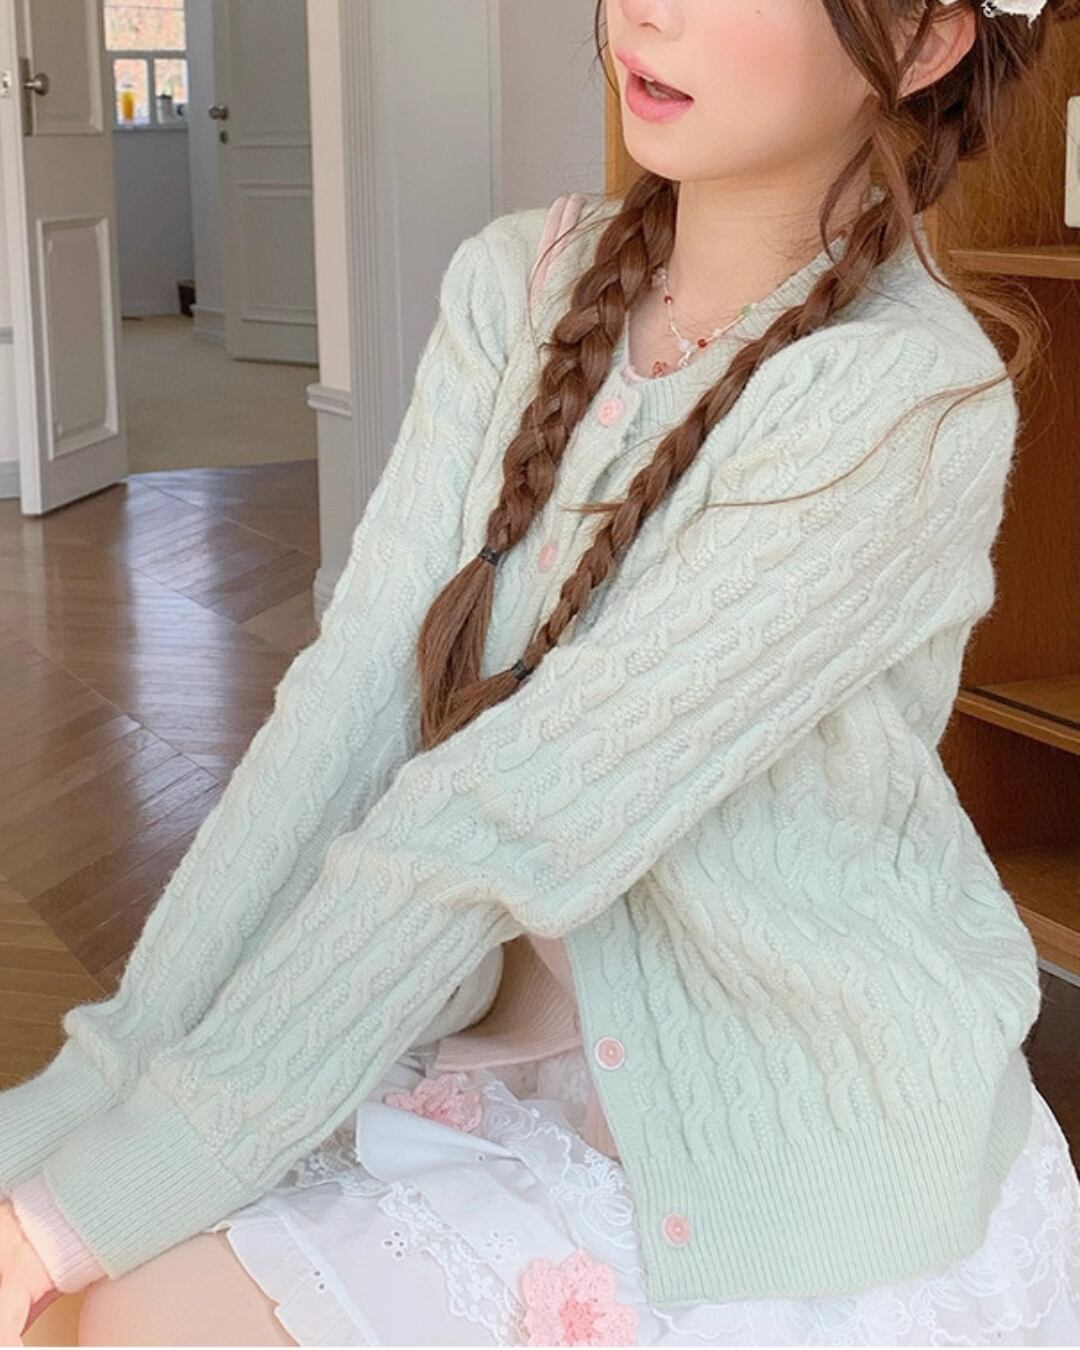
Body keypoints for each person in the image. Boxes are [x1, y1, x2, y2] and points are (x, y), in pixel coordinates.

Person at [2, 0, 1080, 1342]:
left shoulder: (903, 399)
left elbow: (505, 813)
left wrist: (99, 1193)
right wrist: (97, 1095)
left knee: (132, 1310)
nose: (648, 11)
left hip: (776, 1106)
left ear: (923, 45)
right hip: (478, 1018)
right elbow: (347, 716)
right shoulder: (521, 283)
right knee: (72, 1289)